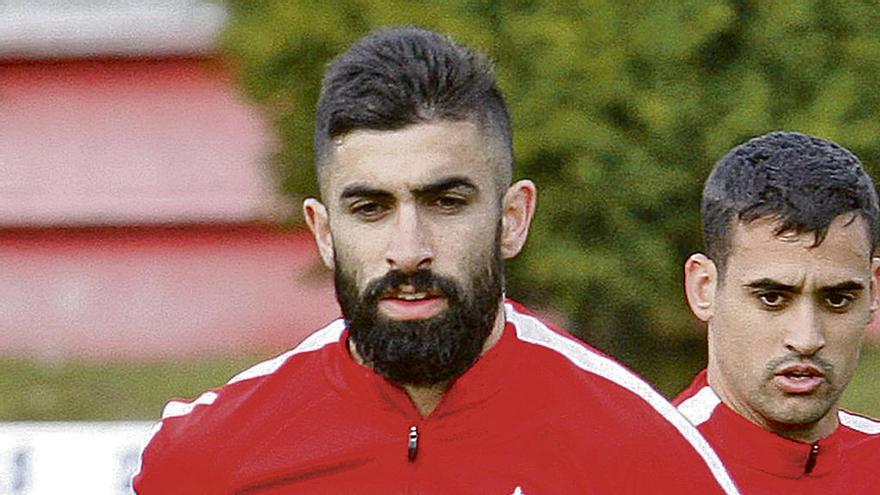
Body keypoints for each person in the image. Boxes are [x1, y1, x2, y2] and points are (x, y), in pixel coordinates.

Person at [133, 26, 739, 494]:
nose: (409, 250)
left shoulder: (643, 450)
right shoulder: (208, 453)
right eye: (370, 208)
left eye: (446, 202)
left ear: (512, 218)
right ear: (323, 231)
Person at [675, 131, 880, 494]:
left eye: (837, 300)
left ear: (873, 292)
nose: (806, 339)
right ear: (704, 288)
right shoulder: (636, 470)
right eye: (772, 298)